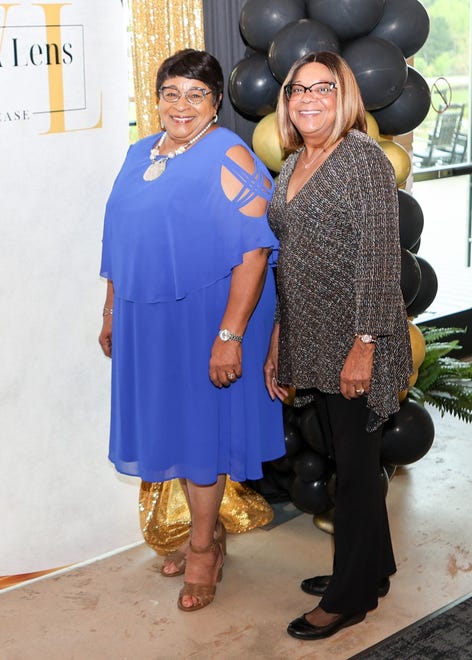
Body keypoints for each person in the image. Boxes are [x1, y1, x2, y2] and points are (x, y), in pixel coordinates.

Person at [99, 48, 285, 612]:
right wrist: (111, 310)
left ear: (216, 103)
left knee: (201, 431)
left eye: (196, 94)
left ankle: (203, 548)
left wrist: (229, 335)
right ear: (155, 99)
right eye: (172, 93)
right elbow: (117, 240)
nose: (182, 105)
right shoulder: (138, 154)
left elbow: (255, 252)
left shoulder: (230, 154)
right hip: (147, 317)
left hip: (207, 317)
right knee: (173, 427)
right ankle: (209, 532)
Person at [264, 51, 413, 640]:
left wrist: (366, 345)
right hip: (310, 335)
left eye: (321, 89)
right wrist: (279, 339)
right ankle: (373, 565)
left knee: (353, 470)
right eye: (297, 90)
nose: (307, 99)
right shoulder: (296, 160)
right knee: (346, 459)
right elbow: (287, 265)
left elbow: (381, 263)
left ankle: (351, 597)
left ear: (343, 95)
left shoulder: (362, 160)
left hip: (357, 337)